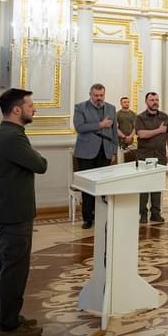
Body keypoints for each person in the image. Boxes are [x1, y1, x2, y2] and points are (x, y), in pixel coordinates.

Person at [0, 88, 47, 336]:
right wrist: (37, 156)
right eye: (30, 105)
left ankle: (2, 318)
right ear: (16, 109)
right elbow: (40, 164)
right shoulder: (13, 137)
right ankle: (9, 327)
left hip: (7, 210)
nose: (34, 109)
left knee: (4, 266)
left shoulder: (6, 133)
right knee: (14, 269)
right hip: (14, 212)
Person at [73, 83, 118, 229]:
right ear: (90, 94)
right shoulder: (80, 107)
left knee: (102, 186)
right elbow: (79, 127)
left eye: (101, 95)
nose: (99, 98)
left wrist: (114, 151)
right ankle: (87, 218)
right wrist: (100, 125)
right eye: (96, 95)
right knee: (88, 187)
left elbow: (114, 131)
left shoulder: (111, 108)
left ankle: (101, 215)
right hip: (86, 153)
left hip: (105, 151)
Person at [135, 92, 168, 223]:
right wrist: (158, 130)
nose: (155, 102)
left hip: (161, 156)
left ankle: (156, 212)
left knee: (157, 185)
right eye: (152, 100)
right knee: (144, 186)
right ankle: (143, 213)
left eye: (157, 99)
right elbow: (141, 134)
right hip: (144, 156)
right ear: (146, 102)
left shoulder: (165, 117)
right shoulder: (140, 117)